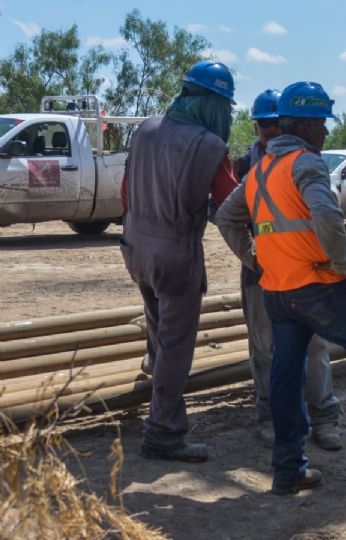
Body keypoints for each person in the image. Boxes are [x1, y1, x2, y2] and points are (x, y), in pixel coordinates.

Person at [214, 81, 346, 495]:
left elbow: (225, 216)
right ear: (307, 125)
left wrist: (255, 259)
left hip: (278, 292)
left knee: (286, 374)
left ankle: (289, 470)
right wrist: (344, 264)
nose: (326, 133)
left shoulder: (259, 172)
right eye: (323, 124)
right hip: (320, 286)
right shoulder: (306, 164)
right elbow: (327, 217)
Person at [120, 60, 238, 463]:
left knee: (158, 334)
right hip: (176, 257)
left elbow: (125, 194)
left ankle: (159, 402)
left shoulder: (145, 131)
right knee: (175, 346)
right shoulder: (209, 146)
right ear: (213, 103)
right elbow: (231, 204)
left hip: (135, 247)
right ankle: (164, 433)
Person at [234, 89, 341, 451]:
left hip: (307, 274)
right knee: (265, 351)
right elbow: (225, 217)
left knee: (314, 348)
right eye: (263, 125)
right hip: (261, 276)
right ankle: (271, 418)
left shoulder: (303, 163)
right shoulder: (244, 168)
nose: (269, 131)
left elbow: (325, 214)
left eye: (274, 123)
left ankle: (324, 417)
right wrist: (252, 258)